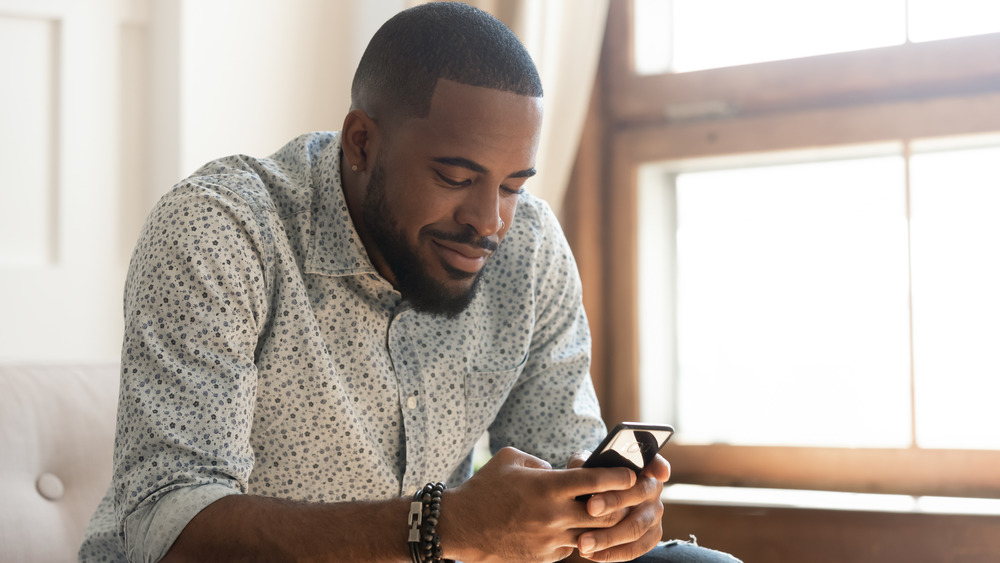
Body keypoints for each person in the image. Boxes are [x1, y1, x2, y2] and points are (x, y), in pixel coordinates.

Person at [79, 3, 740, 562]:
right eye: (456, 177)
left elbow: (559, 464)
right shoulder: (221, 228)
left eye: (513, 185)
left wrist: (605, 519)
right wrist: (441, 524)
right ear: (362, 143)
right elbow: (165, 525)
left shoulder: (528, 246)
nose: (489, 221)